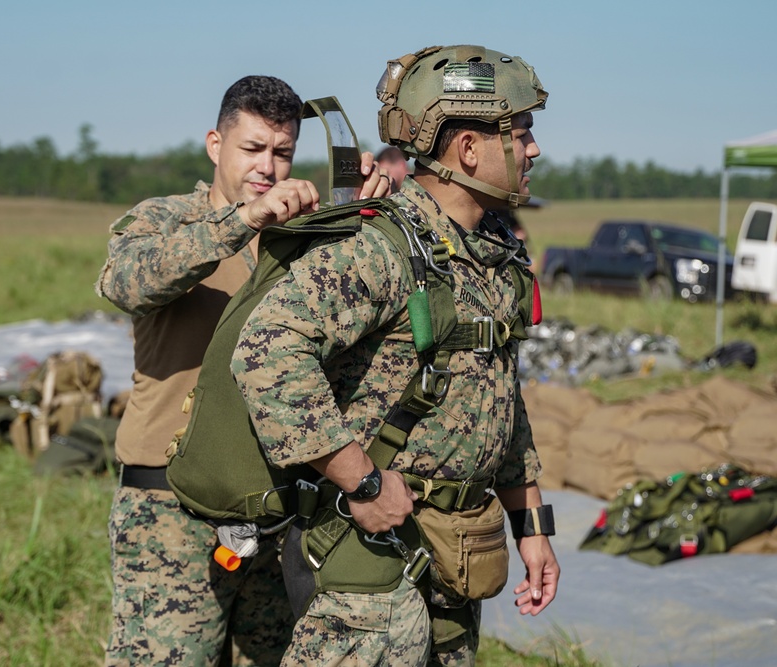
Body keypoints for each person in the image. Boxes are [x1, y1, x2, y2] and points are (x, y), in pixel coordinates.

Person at [232, 45, 559, 666]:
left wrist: (532, 528)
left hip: (459, 561)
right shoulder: (382, 247)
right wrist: (364, 480)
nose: (533, 150)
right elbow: (265, 351)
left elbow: (501, 399)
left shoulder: (496, 254)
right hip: (369, 570)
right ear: (468, 148)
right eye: (522, 134)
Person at [95, 75, 390, 666]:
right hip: (169, 508)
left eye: (282, 152)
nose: (269, 167)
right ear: (215, 145)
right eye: (252, 148)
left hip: (278, 507)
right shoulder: (166, 220)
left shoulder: (301, 236)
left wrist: (363, 213)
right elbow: (125, 282)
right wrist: (242, 222)